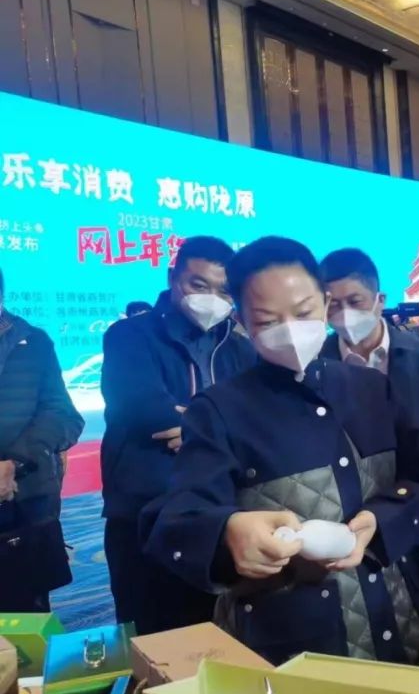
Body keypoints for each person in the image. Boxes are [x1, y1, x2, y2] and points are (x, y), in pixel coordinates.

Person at [144, 237, 419, 666]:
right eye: (268, 320)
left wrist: (380, 520)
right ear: (241, 320)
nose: (290, 330)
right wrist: (227, 531)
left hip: (406, 614)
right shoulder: (221, 410)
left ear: (325, 304)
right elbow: (176, 517)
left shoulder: (370, 388)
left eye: (304, 312)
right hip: (300, 639)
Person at [101, 236, 256, 633]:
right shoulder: (129, 335)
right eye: (197, 285)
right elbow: (141, 407)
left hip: (216, 507)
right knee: (150, 630)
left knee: (215, 628)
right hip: (144, 506)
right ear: (173, 278)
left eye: (223, 291)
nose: (210, 299)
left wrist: (199, 430)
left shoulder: (240, 347)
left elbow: (254, 418)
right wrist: (218, 431)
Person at [0, 268, 84, 611]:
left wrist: (14, 462)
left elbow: (64, 415)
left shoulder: (33, 342)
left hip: (26, 500)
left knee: (25, 617)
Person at [318, 248, 419, 431]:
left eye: (355, 302)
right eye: (333, 305)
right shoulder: (316, 364)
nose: (345, 313)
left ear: (380, 300)